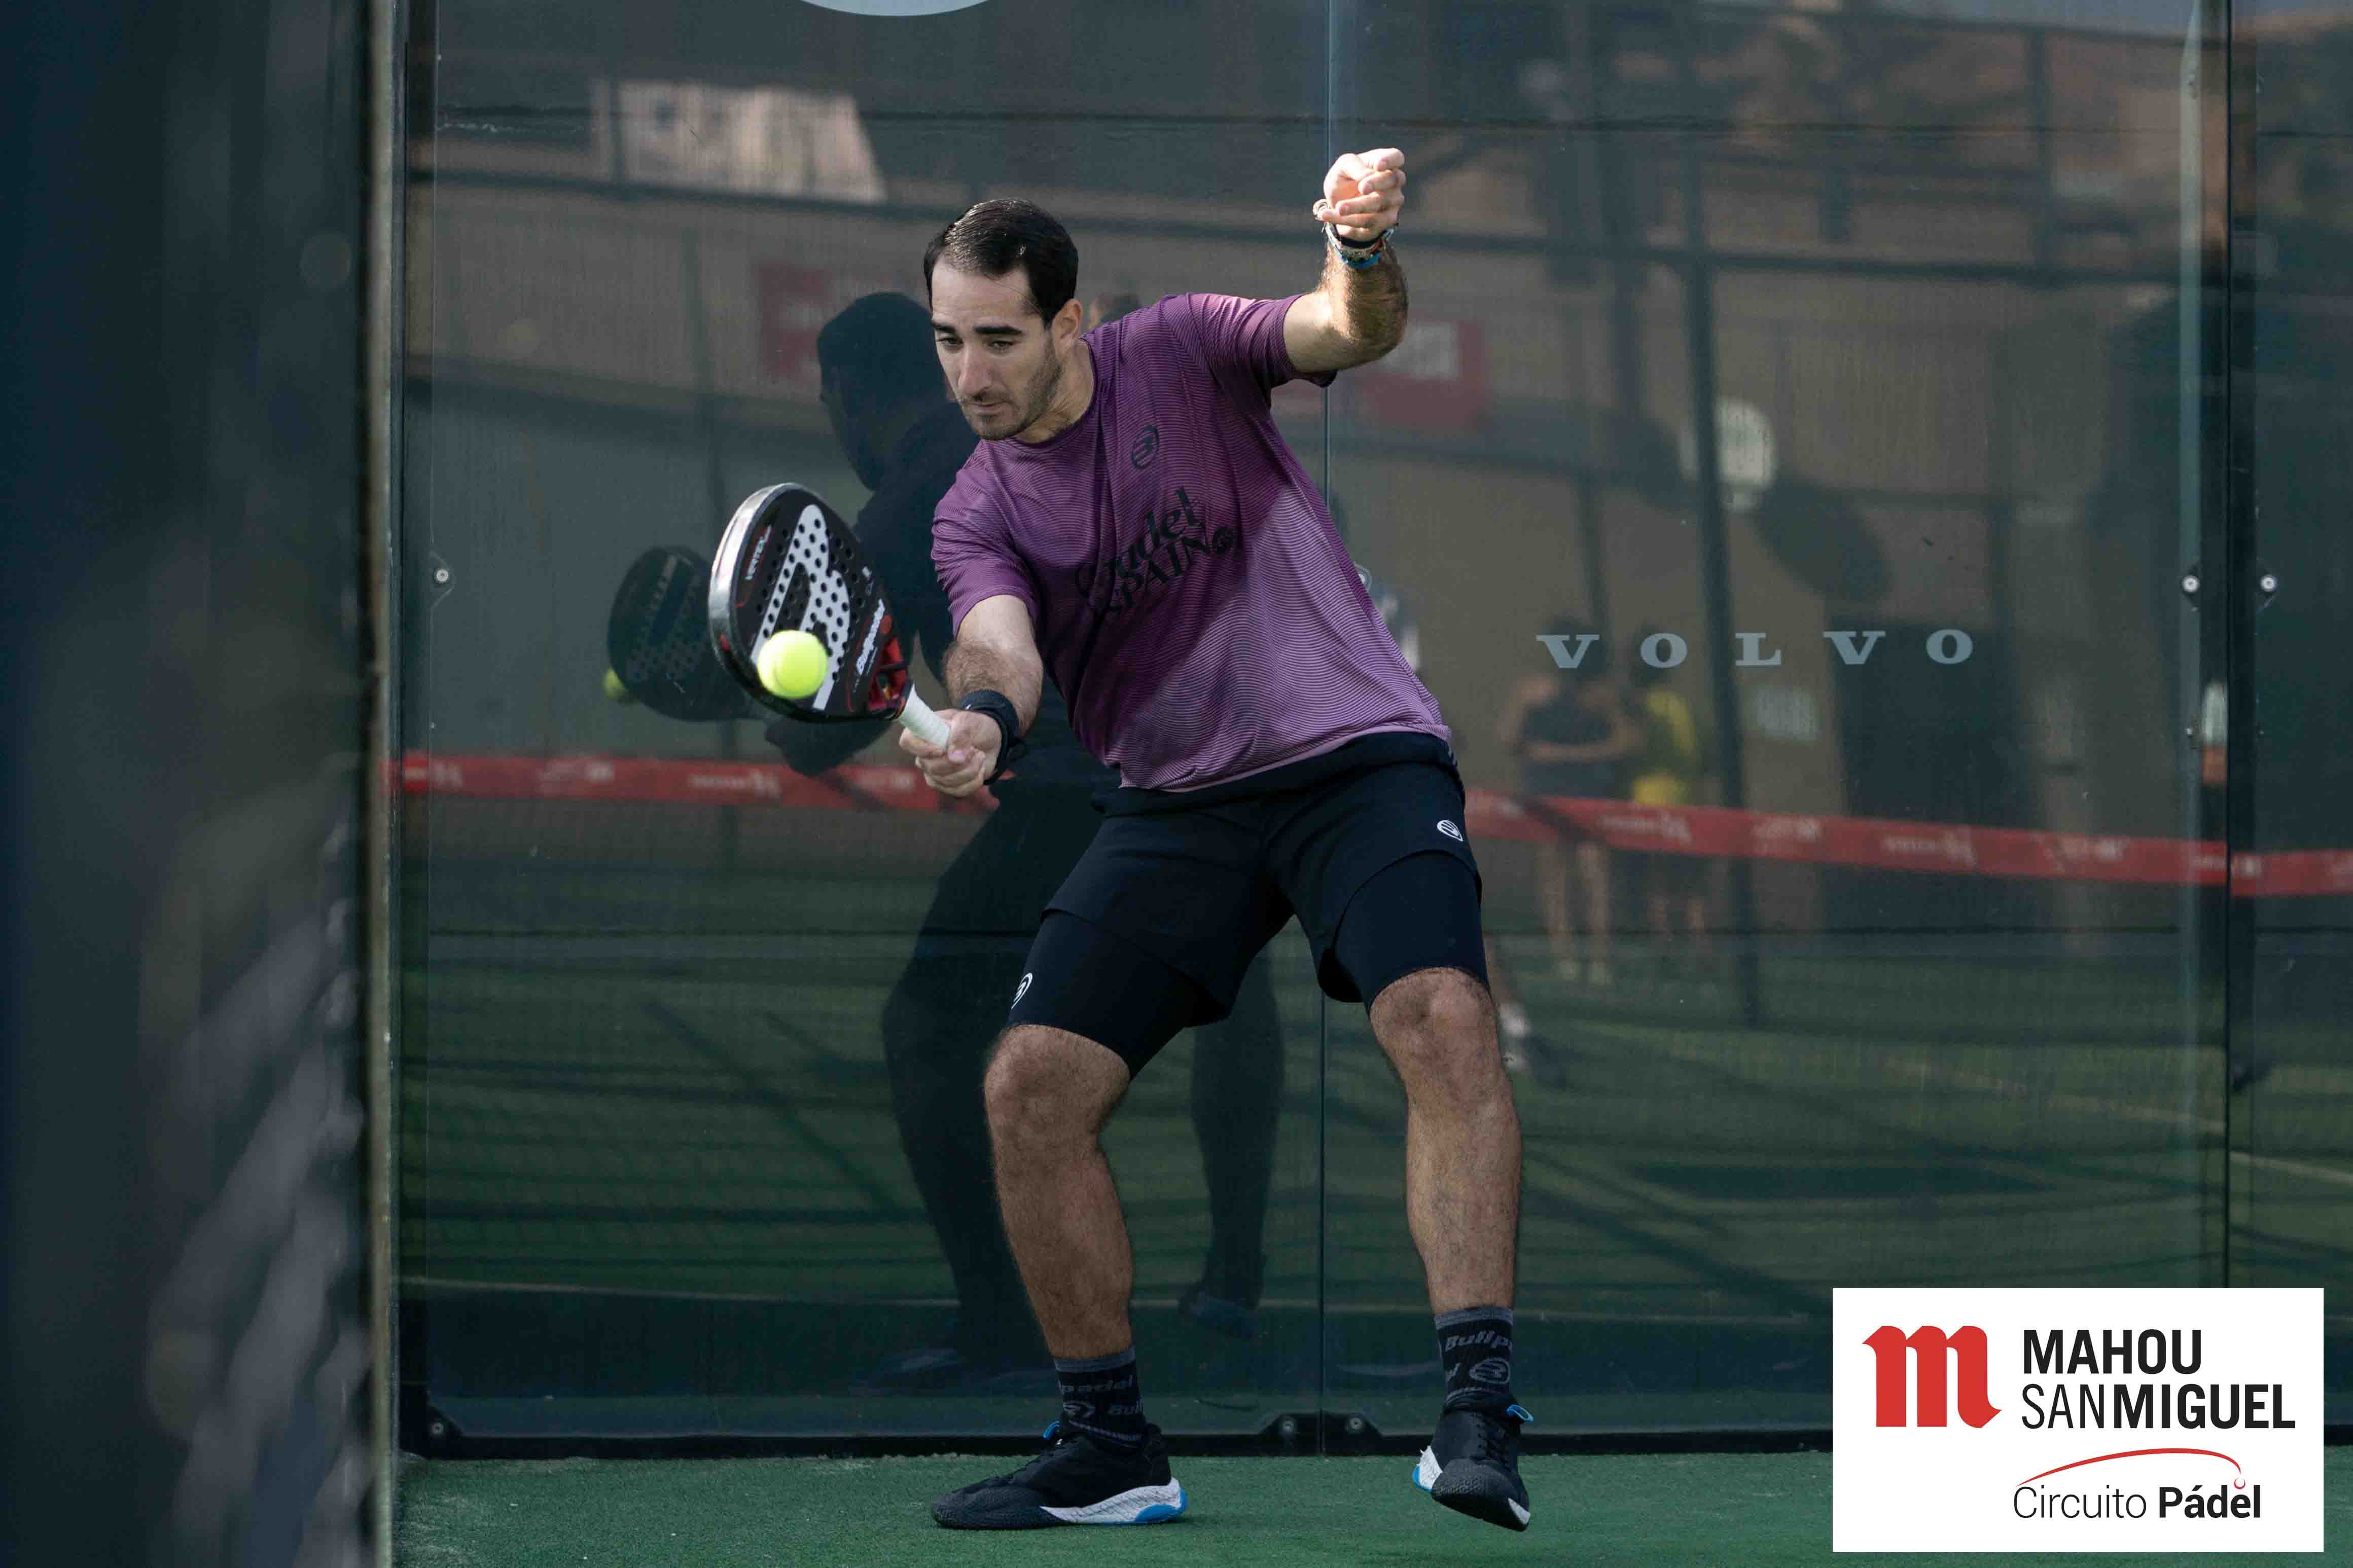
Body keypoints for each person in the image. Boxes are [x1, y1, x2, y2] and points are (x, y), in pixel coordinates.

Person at [905, 153, 1537, 1535]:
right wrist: (984, 721)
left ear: (1068, 322)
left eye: (996, 337)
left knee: (1438, 1012)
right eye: (947, 340)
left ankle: (1478, 1413)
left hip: (1353, 754)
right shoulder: (980, 503)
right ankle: (1107, 1444)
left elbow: (1346, 329)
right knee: (1028, 1085)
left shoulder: (1184, 348)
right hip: (1178, 803)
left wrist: (1357, 247)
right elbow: (998, 643)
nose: (969, 372)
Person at [763, 294, 1287, 1391]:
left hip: (1089, 800)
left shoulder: (911, 500)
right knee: (1235, 997)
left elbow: (825, 729)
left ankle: (1003, 1320)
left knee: (929, 1027)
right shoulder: (1066, 437)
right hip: (1229, 763)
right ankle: (1236, 1286)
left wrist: (763, 708)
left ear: (848, 395)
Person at [1499, 617, 1638, 987]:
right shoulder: (1532, 691)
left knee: (1595, 876)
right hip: (1545, 796)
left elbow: (1628, 742)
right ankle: (1566, 957)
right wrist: (1529, 724)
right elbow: (1509, 738)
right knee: (1555, 876)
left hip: (1589, 796)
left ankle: (1599, 960)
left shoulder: (1601, 695)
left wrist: (1566, 754)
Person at [1620, 625, 1716, 983]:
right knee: (1692, 888)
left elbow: (1633, 751)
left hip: (1650, 806)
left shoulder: (1639, 709)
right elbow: (1706, 760)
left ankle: (1665, 951)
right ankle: (1703, 953)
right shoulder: (1685, 707)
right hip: (1690, 804)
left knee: (1658, 884)